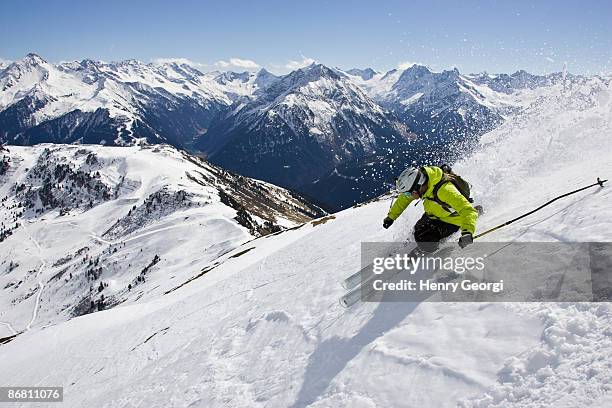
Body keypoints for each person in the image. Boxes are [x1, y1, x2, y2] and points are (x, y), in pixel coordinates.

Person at [383, 166, 478, 253]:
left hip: (452, 221)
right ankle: (423, 245)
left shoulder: (445, 191)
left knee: (424, 238)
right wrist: (391, 217)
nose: (408, 196)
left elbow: (468, 211)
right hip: (436, 213)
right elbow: (403, 199)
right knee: (418, 229)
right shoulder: (424, 184)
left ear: (418, 187)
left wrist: (467, 232)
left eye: (408, 193)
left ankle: (430, 250)